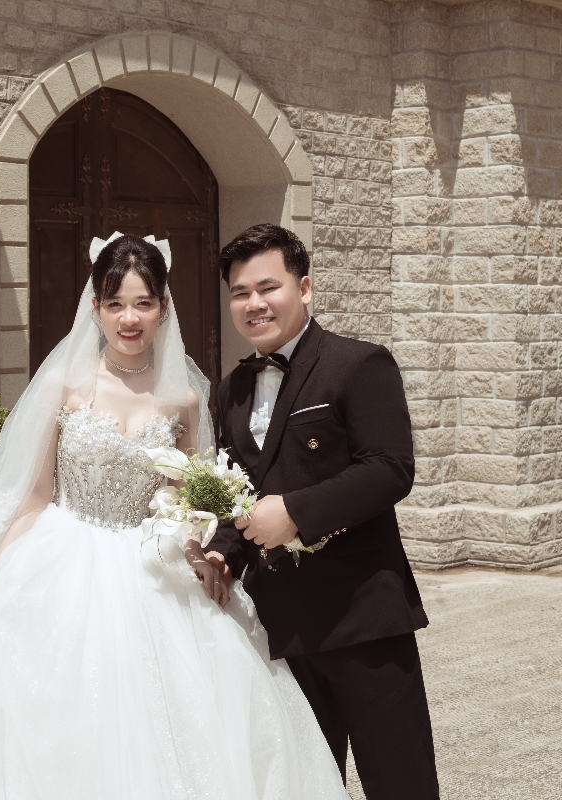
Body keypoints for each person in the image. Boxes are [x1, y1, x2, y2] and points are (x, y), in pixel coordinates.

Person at [0, 233, 348, 800]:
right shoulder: (65, 384)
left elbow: (182, 501)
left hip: (151, 565)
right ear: (95, 306)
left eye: (143, 303)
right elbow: (35, 494)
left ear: (163, 307)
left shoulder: (184, 399)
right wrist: (2, 557)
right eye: (115, 303)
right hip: (65, 553)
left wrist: (200, 553)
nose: (129, 318)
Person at [206, 224, 440, 800]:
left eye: (269, 287)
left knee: (400, 784)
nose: (254, 303)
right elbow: (237, 495)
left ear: (304, 288)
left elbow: (390, 468)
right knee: (307, 786)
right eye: (240, 292)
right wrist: (222, 554)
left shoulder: (359, 364)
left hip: (364, 619)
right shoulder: (229, 391)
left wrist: (295, 512)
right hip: (280, 627)